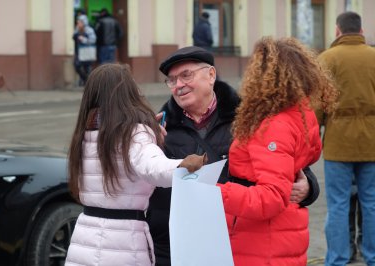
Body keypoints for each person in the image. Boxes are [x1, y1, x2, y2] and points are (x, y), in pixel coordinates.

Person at [147, 45, 322, 265]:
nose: (179, 85)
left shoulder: (248, 118)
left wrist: (309, 188)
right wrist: (143, 143)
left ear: (211, 75)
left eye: (186, 75)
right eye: (172, 80)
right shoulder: (160, 128)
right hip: (174, 244)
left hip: (231, 241)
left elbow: (289, 166)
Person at [64, 63, 206, 266]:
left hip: (83, 241)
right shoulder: (134, 134)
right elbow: (154, 168)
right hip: (124, 245)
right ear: (127, 94)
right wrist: (186, 165)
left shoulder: (84, 136)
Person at [217, 37, 338, 265]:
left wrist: (216, 194)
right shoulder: (301, 114)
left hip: (263, 241)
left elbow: (271, 197)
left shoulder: (273, 125)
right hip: (282, 234)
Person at [317, 11, 375, 266]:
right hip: (372, 142)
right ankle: (372, 256)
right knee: (371, 202)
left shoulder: (327, 59)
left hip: (338, 143)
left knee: (338, 204)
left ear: (338, 31)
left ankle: (338, 258)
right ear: (361, 32)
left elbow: (316, 106)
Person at [72, 15, 96, 86]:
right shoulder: (77, 29)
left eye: (79, 22)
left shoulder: (89, 30)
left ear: (84, 22)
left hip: (86, 51)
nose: (78, 23)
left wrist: (84, 39)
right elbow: (73, 37)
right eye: (78, 22)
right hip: (78, 51)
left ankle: (89, 82)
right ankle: (85, 79)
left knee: (87, 67)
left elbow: (93, 40)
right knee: (77, 65)